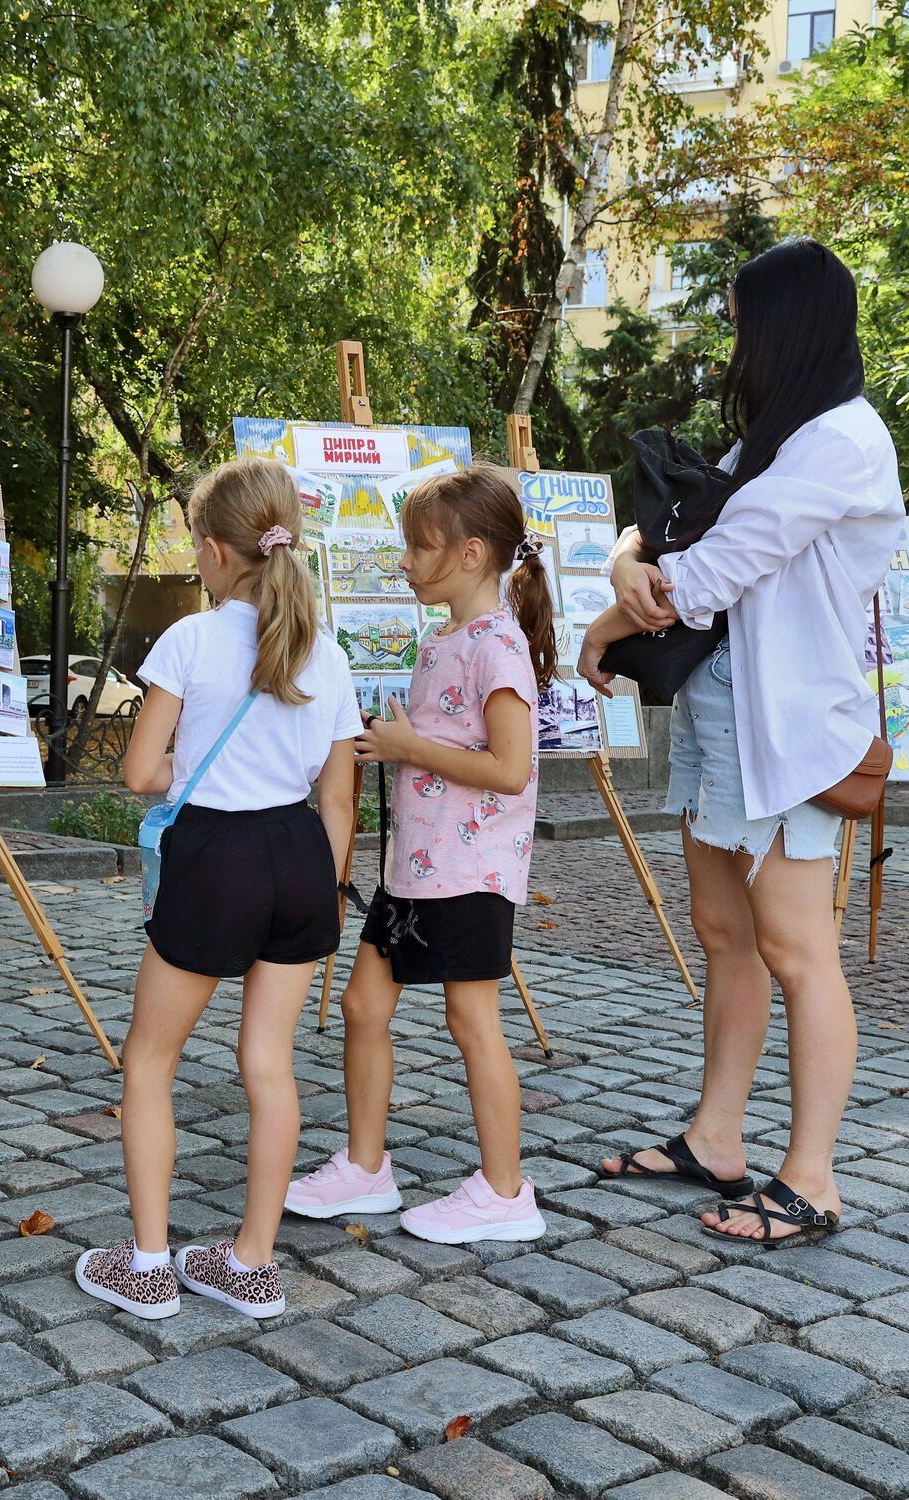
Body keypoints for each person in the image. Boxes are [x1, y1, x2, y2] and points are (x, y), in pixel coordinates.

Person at [577, 237, 902, 1246]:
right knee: (725, 935)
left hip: (790, 736)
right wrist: (623, 555)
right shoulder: (781, 437)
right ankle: (715, 1138)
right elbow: (665, 521)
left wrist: (604, 621)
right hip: (725, 716)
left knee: (797, 951)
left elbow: (705, 575)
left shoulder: (837, 445)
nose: (730, 346)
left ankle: (809, 1181)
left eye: (738, 324)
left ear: (782, 329)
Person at [73, 458, 359, 1321]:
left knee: (150, 1061)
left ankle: (151, 1264)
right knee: (269, 1065)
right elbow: (338, 797)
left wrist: (185, 772)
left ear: (211, 549)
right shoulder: (328, 650)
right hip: (303, 860)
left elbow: (136, 772)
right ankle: (250, 1263)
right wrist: (329, 896)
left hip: (216, 860)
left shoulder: (190, 641)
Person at [285, 468, 556, 1244]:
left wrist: (411, 746)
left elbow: (510, 770)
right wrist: (396, 748)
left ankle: (505, 1191)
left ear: (471, 555)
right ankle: (366, 1169)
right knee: (363, 1006)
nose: (404, 561)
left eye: (419, 547)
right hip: (415, 870)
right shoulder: (446, 638)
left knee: (473, 1021)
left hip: (470, 875)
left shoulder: (496, 647)